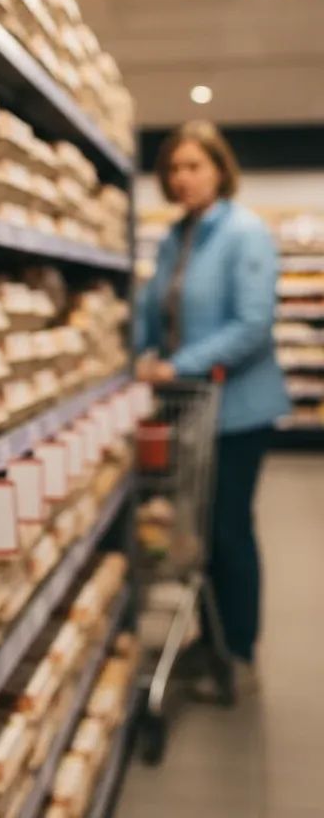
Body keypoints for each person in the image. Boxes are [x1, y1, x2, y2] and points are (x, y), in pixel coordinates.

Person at [136, 120, 289, 691]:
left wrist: (179, 364)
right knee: (197, 528)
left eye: (194, 166)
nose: (182, 178)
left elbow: (253, 324)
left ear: (221, 170)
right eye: (173, 168)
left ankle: (240, 651)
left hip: (238, 410)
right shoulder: (178, 236)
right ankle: (211, 639)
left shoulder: (245, 233)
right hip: (191, 409)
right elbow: (154, 314)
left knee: (227, 528)